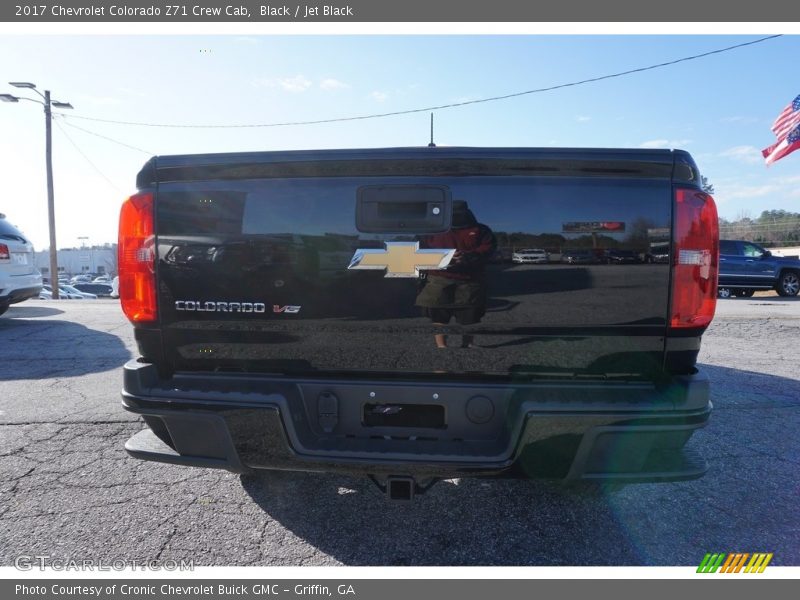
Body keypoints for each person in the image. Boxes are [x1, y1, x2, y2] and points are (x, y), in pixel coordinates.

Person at [415, 201, 496, 348]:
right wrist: (443, 258)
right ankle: (442, 346)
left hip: (470, 280)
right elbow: (418, 252)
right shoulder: (431, 231)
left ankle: (468, 344)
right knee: (439, 315)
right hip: (438, 279)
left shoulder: (481, 230)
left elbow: (489, 249)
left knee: (470, 316)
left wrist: (468, 256)